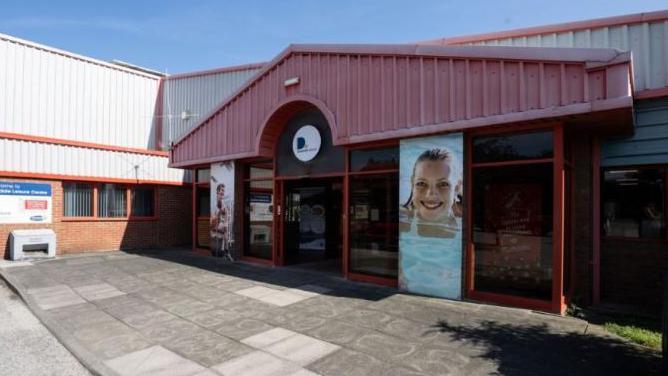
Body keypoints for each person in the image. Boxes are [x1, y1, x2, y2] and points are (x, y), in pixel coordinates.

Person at [400, 148, 462, 238]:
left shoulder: (466, 223)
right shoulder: (402, 220)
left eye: (443, 184)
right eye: (421, 183)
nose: (430, 194)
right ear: (412, 184)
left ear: (457, 187)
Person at [210, 183, 234, 261]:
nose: (223, 192)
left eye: (224, 190)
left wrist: (226, 219)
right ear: (218, 191)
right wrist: (220, 213)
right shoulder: (215, 202)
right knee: (225, 231)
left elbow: (225, 214)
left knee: (226, 229)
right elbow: (213, 217)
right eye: (222, 190)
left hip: (221, 223)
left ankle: (225, 252)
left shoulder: (222, 202)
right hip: (215, 223)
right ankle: (226, 252)